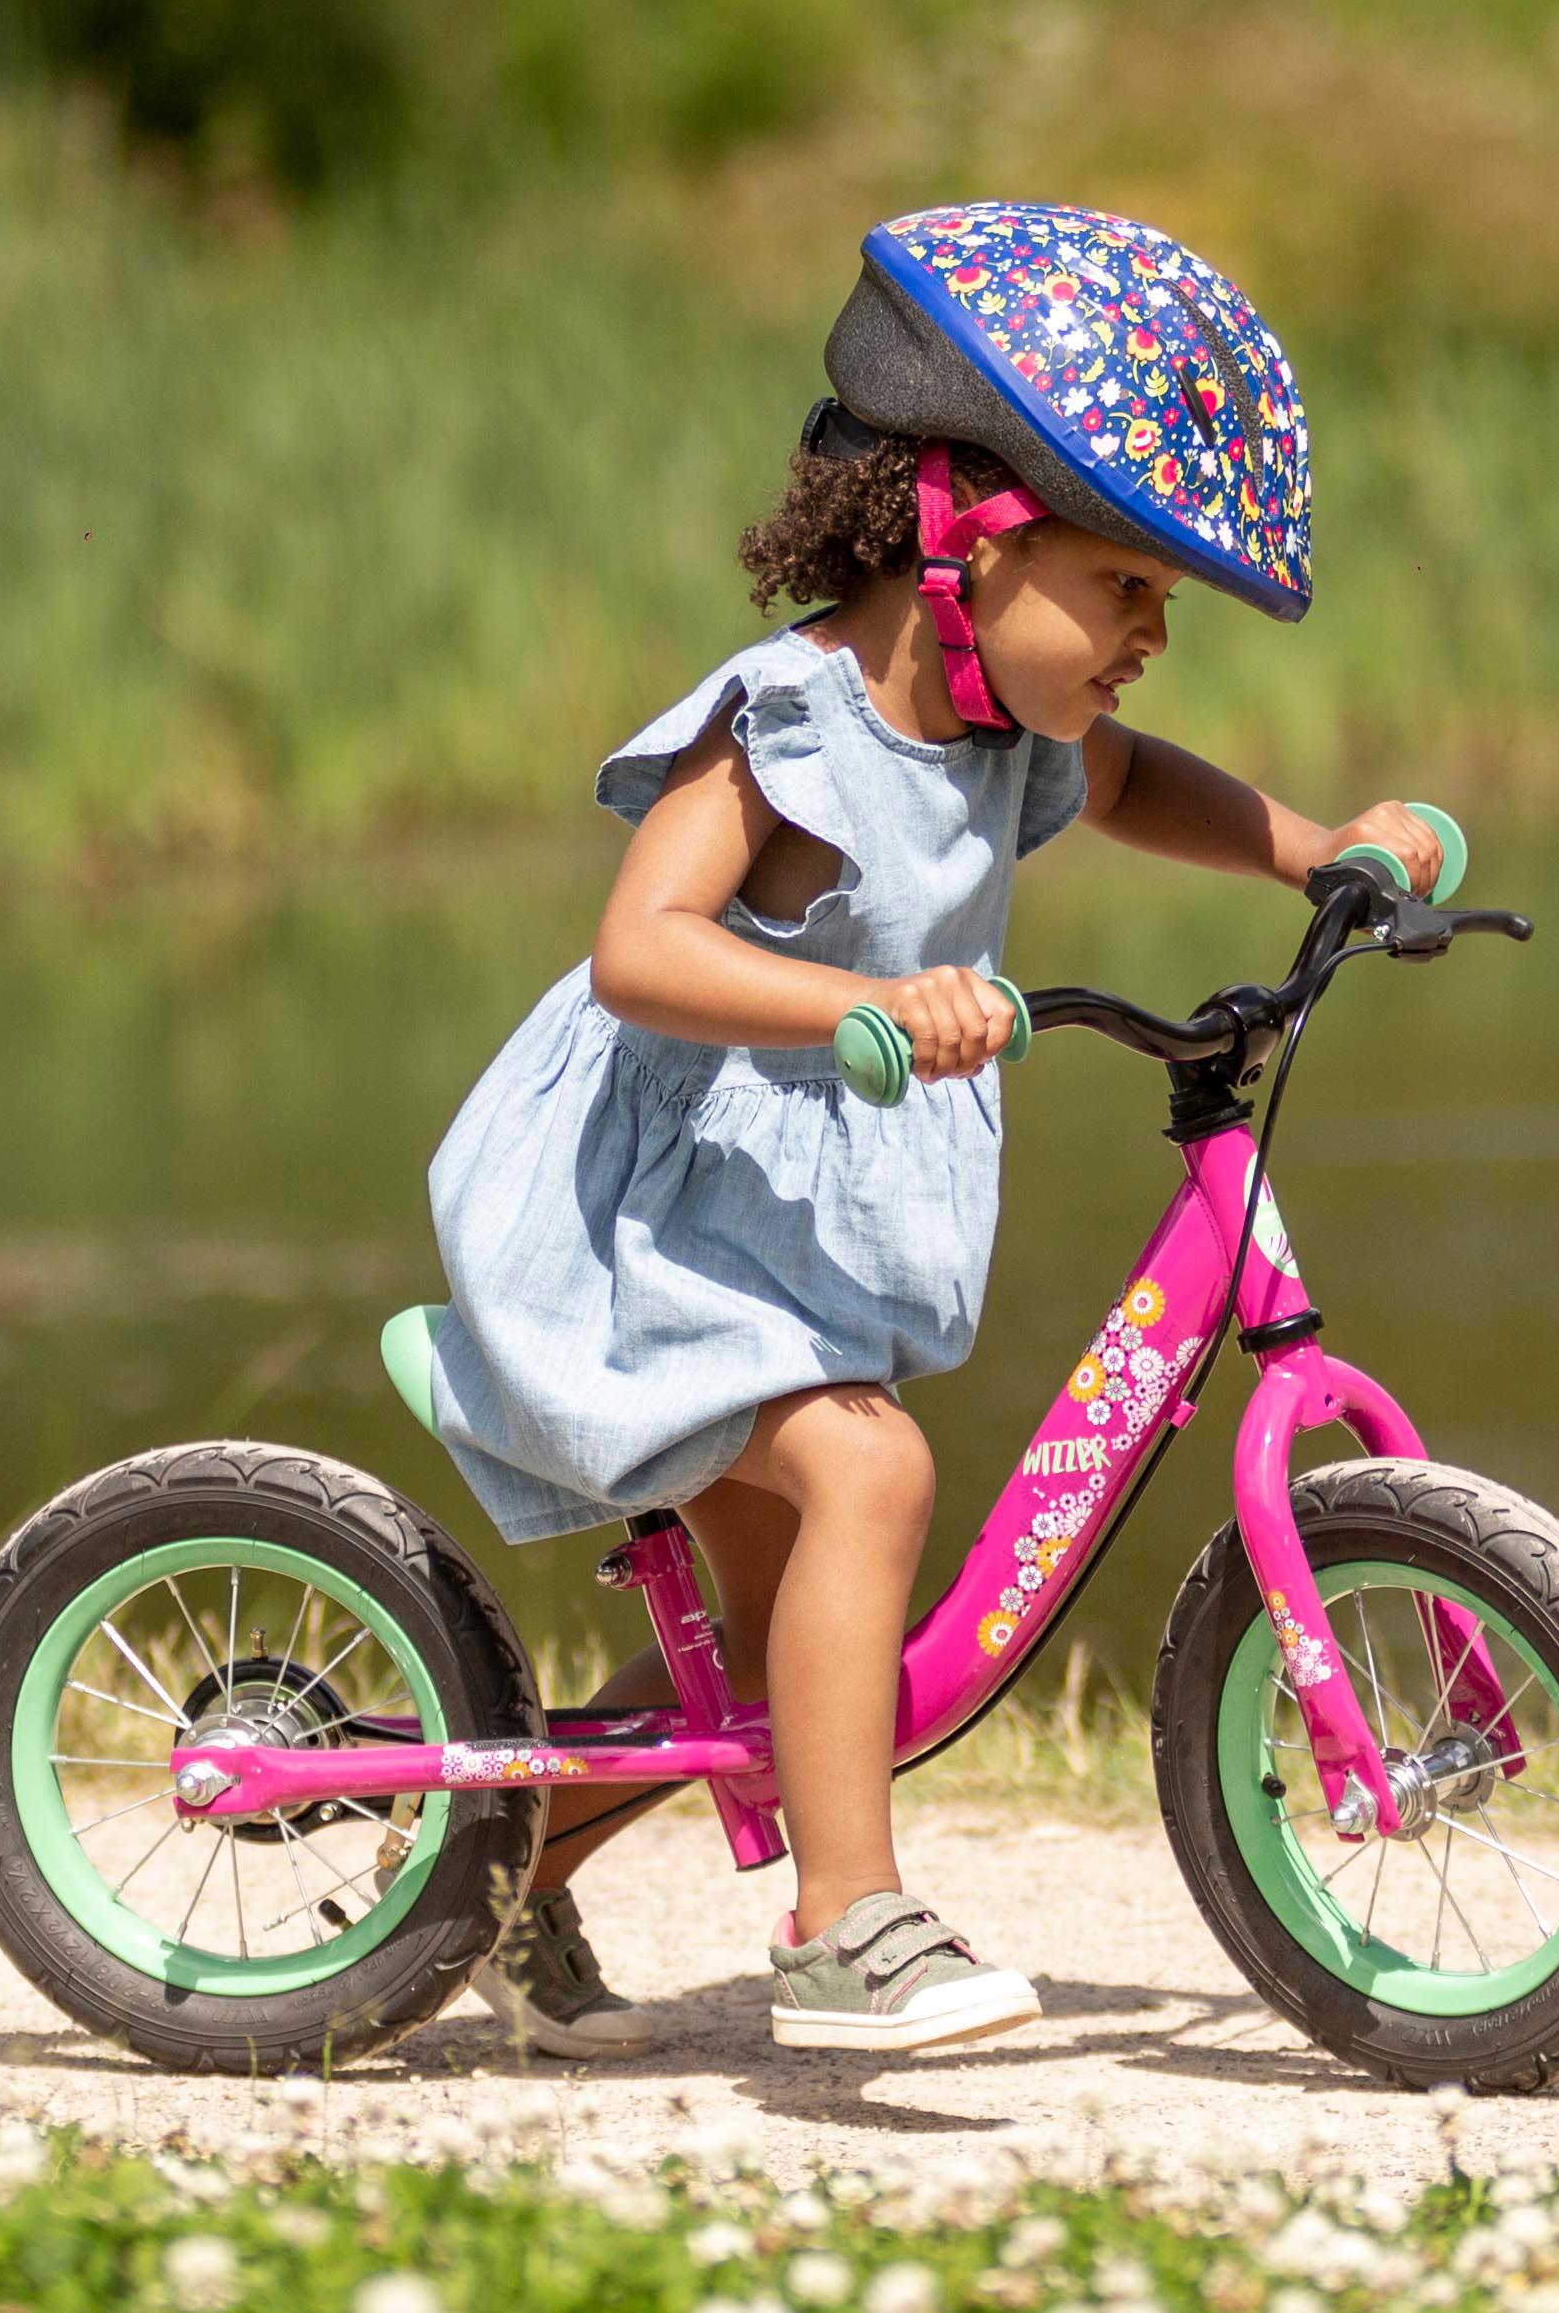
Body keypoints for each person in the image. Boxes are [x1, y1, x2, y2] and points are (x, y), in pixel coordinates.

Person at [398, 204, 1447, 2057]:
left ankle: (485, 1877)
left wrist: (1316, 846)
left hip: (778, 1229)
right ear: (967, 531)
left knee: (788, 1655)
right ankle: (845, 1926)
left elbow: (1127, 784)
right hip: (650, 1212)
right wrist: (865, 1007)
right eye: (1124, 590)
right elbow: (639, 949)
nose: (1143, 642)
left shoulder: (998, 733)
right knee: (871, 1485)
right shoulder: (786, 724)